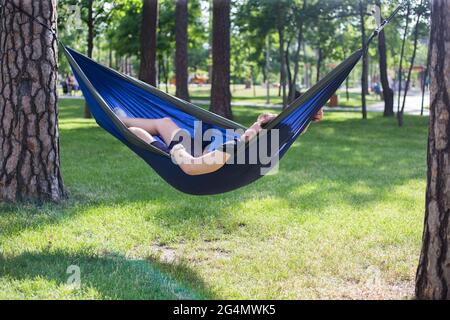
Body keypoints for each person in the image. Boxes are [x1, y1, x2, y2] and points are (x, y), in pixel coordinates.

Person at [114, 108, 324, 176]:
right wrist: (308, 116)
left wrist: (175, 146)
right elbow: (287, 132)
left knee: (144, 130)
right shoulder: (257, 147)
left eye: (256, 128)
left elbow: (188, 167)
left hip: (184, 160)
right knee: (158, 125)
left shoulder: (231, 150)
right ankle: (122, 120)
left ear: (259, 138)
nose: (251, 128)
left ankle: (117, 119)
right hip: (198, 148)